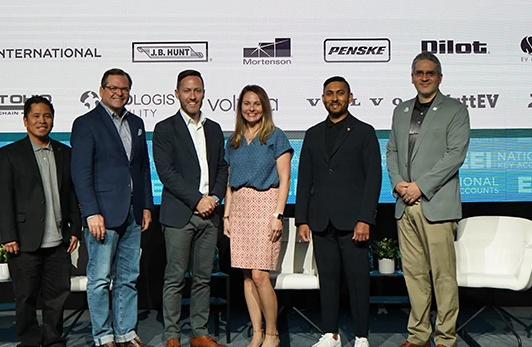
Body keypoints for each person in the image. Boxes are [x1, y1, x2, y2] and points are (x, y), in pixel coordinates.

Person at [386, 52, 470, 347]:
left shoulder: (455, 110)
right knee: (414, 275)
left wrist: (420, 187)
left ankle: (445, 338)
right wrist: (398, 185)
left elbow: (454, 156)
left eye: (430, 73)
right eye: (419, 72)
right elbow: (393, 152)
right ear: (412, 77)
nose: (424, 77)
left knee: (443, 277)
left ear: (440, 78)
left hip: (436, 204)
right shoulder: (401, 110)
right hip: (404, 204)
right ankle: (419, 335)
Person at [295, 77, 382, 347]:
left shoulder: (364, 132)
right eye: (330, 93)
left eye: (340, 93)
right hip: (321, 221)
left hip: (354, 221)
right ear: (322, 98)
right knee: (328, 281)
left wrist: (365, 218)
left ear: (350, 97)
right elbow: (305, 178)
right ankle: (330, 334)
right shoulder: (312, 134)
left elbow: (374, 178)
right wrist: (302, 219)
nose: (335, 98)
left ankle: (361, 336)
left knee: (358, 282)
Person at [71, 68, 154, 347]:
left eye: (124, 88)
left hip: (133, 213)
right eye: (113, 88)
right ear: (102, 90)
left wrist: (146, 206)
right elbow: (81, 173)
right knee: (99, 279)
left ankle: (126, 333)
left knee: (128, 278)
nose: (119, 93)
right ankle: (103, 336)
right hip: (102, 215)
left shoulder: (137, 122)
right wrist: (90, 212)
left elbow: (142, 168)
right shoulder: (86, 123)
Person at [0, 95, 81, 347]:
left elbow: (72, 194)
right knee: (26, 298)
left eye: (47, 116)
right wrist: (7, 235)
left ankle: (53, 341)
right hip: (23, 240)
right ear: (25, 120)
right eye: (36, 116)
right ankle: (29, 341)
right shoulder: (9, 153)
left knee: (56, 297)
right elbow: (2, 198)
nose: (42, 121)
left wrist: (75, 228)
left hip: (58, 241)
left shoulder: (65, 152)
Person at [153, 70, 230, 347]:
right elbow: (166, 172)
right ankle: (172, 335)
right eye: (187, 90)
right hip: (179, 215)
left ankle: (199, 332)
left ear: (204, 93)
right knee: (174, 278)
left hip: (210, 215)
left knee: (203, 278)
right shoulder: (164, 128)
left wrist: (215, 198)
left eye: (197, 90)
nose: (192, 96)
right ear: (177, 94)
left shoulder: (214, 128)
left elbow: (222, 167)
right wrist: (198, 200)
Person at [222, 85, 292, 347]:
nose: (251, 108)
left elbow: (285, 180)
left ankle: (272, 333)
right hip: (239, 208)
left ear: (265, 107)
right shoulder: (233, 141)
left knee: (260, 275)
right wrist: (226, 215)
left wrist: (278, 214)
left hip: (266, 206)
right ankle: (257, 333)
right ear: (240, 107)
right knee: (247, 276)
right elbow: (229, 182)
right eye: (247, 104)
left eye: (257, 104)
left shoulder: (276, 137)